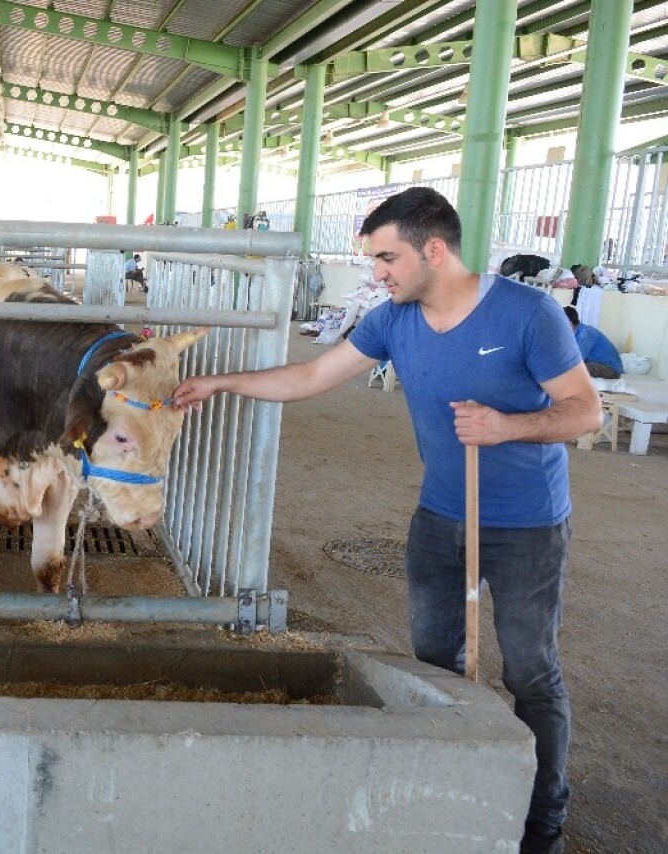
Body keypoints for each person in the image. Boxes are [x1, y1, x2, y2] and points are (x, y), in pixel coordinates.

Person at [173, 187, 599, 854]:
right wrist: (220, 383)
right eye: (374, 260)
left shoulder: (528, 314)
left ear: (434, 249)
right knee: (435, 665)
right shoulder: (392, 319)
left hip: (527, 525)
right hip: (440, 519)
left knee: (530, 673)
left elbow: (584, 410)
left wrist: (508, 426)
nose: (377, 273)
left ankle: (542, 821)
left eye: (386, 257)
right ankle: (454, 795)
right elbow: (313, 376)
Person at [563, 305, 622, 379]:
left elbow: (576, 360)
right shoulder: (573, 335)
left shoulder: (586, 333)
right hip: (596, 363)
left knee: (572, 370)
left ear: (569, 322)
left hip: (611, 369)